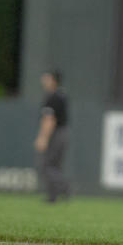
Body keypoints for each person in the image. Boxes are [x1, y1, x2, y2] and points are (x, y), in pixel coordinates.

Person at [35, 69, 70, 202]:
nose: (43, 80)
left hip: (56, 133)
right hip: (63, 132)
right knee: (55, 165)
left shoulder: (53, 96)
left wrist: (42, 138)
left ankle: (64, 187)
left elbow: (49, 120)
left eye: (47, 77)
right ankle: (52, 196)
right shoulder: (61, 94)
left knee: (47, 165)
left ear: (53, 80)